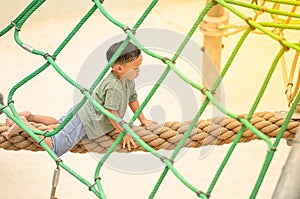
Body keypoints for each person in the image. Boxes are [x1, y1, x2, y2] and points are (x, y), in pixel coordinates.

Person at [4, 41, 155, 156]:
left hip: (83, 113)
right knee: (55, 146)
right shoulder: (114, 86)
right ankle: (24, 124)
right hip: (84, 121)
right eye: (136, 68)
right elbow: (111, 113)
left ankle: (31, 116)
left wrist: (143, 120)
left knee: (59, 124)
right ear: (119, 68)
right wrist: (124, 133)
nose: (139, 71)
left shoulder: (128, 80)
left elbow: (132, 99)